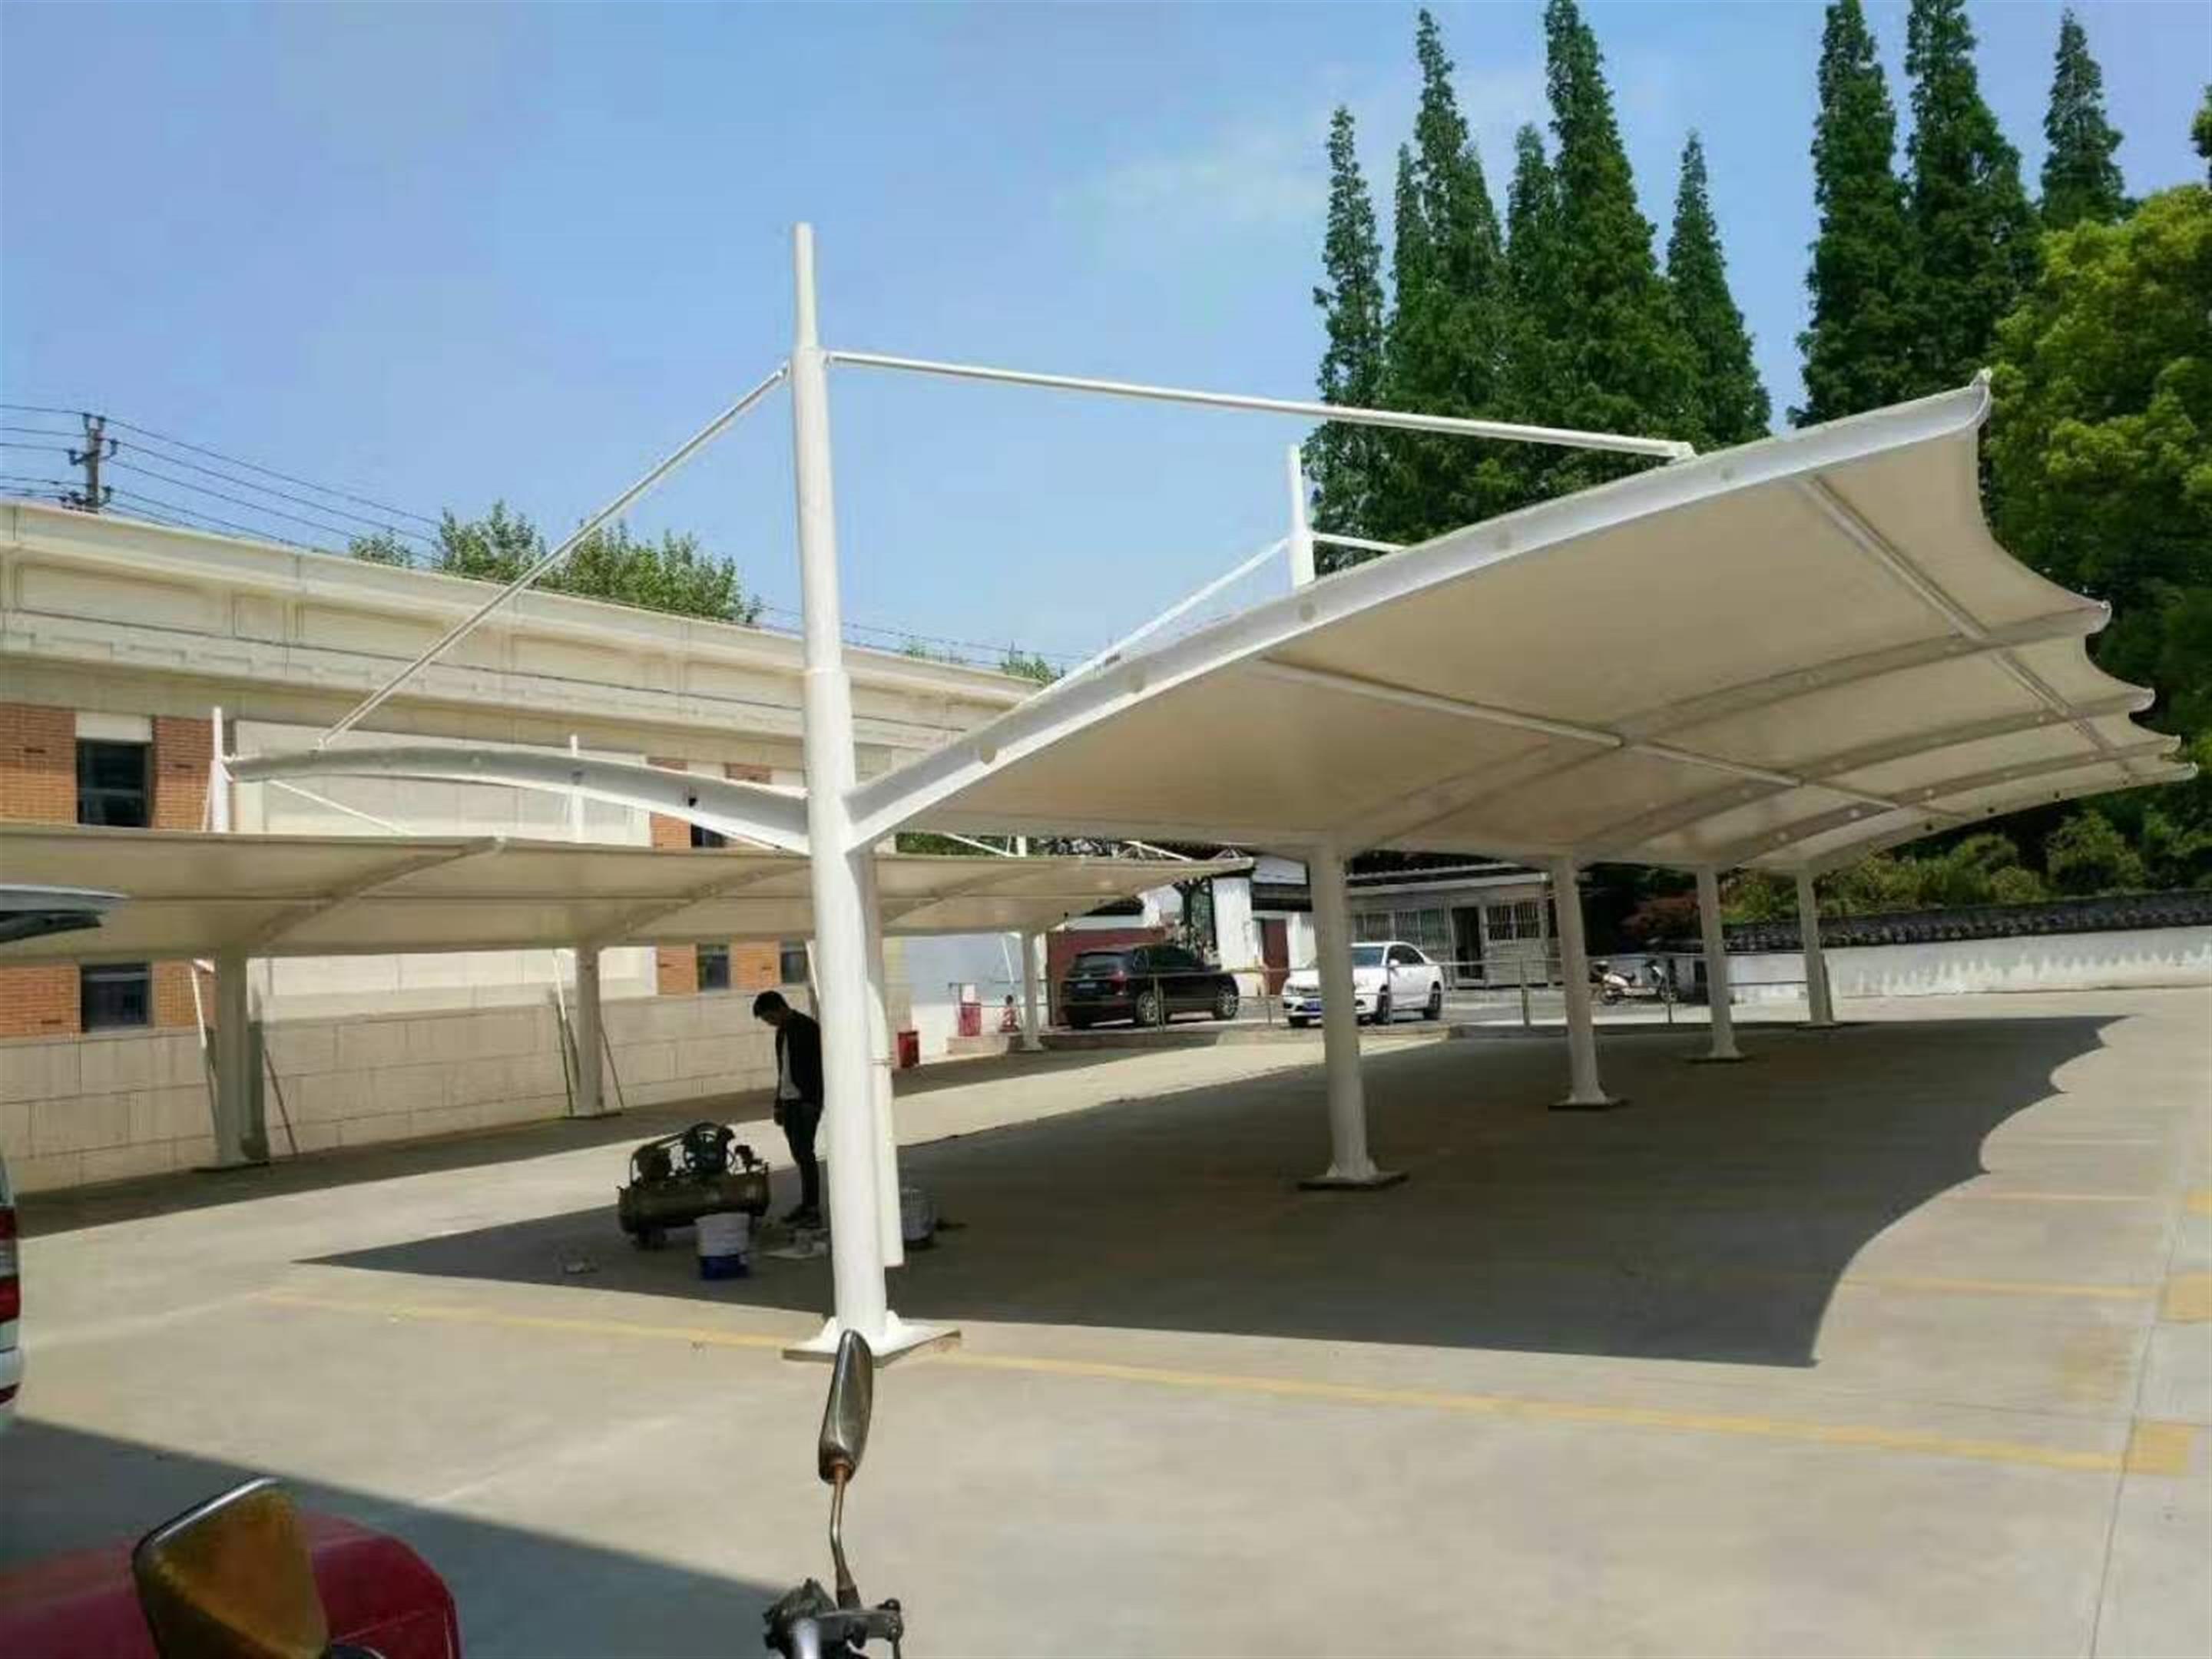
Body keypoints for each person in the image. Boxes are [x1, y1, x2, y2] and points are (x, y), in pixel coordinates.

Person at [753, 990, 823, 1227]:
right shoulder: (782, 1032)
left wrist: (812, 1102)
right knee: (799, 1154)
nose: (769, 1023)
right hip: (789, 1101)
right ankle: (806, 1204)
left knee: (806, 1154)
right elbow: (783, 1071)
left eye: (769, 1018)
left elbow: (818, 1068)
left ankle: (812, 1209)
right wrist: (778, 1103)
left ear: (780, 1008)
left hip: (805, 1101)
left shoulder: (808, 1028)